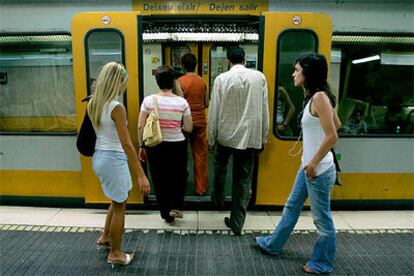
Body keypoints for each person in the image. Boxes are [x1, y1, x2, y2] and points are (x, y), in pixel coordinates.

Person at [255, 53, 341, 274]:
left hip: (318, 170)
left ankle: (322, 263)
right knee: (292, 206)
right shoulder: (316, 97)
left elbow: (332, 135)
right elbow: (337, 123)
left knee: (322, 221)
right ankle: (273, 244)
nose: (293, 73)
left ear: (307, 74)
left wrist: (313, 162)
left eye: (297, 70)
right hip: (309, 166)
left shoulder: (319, 98)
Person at [88, 62, 150, 267]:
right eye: (124, 82)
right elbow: (127, 144)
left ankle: (106, 236)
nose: (125, 86)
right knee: (120, 206)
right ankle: (115, 253)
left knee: (116, 201)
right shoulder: (116, 107)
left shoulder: (93, 104)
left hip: (99, 158)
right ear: (118, 82)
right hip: (114, 159)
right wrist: (141, 174)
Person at [208, 47, 269, 235]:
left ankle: (217, 200)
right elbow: (264, 109)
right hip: (250, 136)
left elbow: (214, 111)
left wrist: (211, 137)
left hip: (225, 135)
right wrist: (263, 136)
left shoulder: (221, 79)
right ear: (245, 59)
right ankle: (237, 223)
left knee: (219, 167)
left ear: (228, 60)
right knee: (243, 180)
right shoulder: (260, 78)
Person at [138, 65, 193, 225]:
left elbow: (140, 126)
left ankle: (165, 213)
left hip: (155, 145)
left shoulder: (148, 100)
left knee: (160, 178)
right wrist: (178, 132)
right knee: (178, 176)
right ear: (173, 81)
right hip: (177, 145)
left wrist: (141, 146)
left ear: (157, 81)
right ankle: (176, 205)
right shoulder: (182, 102)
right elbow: (189, 127)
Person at [178, 53, 209, 196]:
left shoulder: (179, 82)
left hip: (185, 123)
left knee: (181, 155)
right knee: (200, 155)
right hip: (200, 122)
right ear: (196, 65)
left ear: (182, 65)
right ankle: (201, 189)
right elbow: (206, 103)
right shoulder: (202, 82)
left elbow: (179, 104)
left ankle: (181, 186)